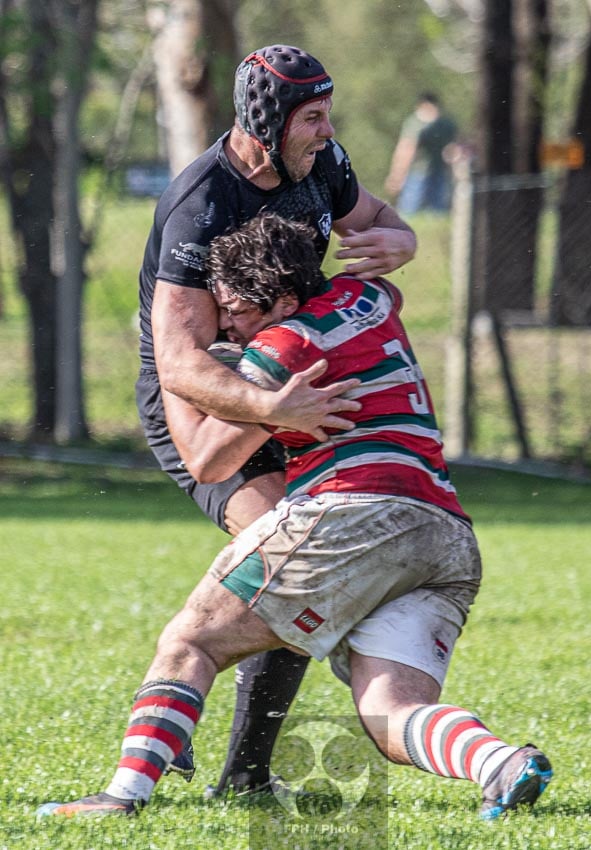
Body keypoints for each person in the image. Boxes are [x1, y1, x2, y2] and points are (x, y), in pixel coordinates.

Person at [38, 213, 552, 821]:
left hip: (355, 513)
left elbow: (206, 460)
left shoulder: (283, 350)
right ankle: (502, 764)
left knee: (191, 640)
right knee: (389, 713)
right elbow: (389, 291)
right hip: (444, 533)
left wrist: (178, 368)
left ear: (283, 300)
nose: (229, 323)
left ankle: (122, 797)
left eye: (238, 310)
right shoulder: (366, 297)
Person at [135, 44, 417, 794]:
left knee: (298, 568)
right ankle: (195, 729)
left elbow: (381, 221)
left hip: (287, 383)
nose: (328, 131)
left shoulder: (321, 164)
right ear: (267, 122)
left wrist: (400, 241)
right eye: (313, 118)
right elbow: (180, 363)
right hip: (207, 397)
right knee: (288, 558)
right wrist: (267, 407)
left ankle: (241, 773)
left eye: (327, 114)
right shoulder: (202, 204)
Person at [385, 92, 457, 214]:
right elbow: (455, 149)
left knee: (409, 210)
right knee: (437, 210)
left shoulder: (415, 123)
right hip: (440, 171)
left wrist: (397, 175)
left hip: (418, 171)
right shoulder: (446, 124)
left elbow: (406, 149)